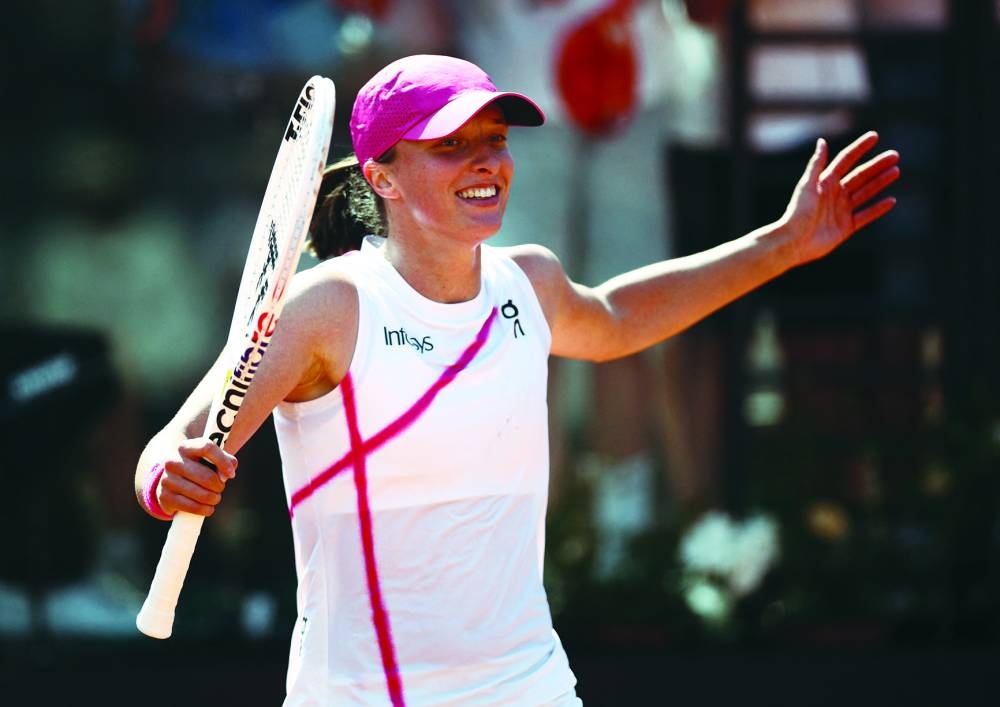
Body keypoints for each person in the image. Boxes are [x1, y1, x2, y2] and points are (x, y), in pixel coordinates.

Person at [134, 54, 899, 706]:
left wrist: (781, 245)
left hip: (529, 684)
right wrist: (169, 478)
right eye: (451, 145)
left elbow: (620, 317)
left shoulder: (529, 281)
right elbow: (173, 448)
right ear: (384, 176)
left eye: (495, 141)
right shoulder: (326, 309)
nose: (487, 163)